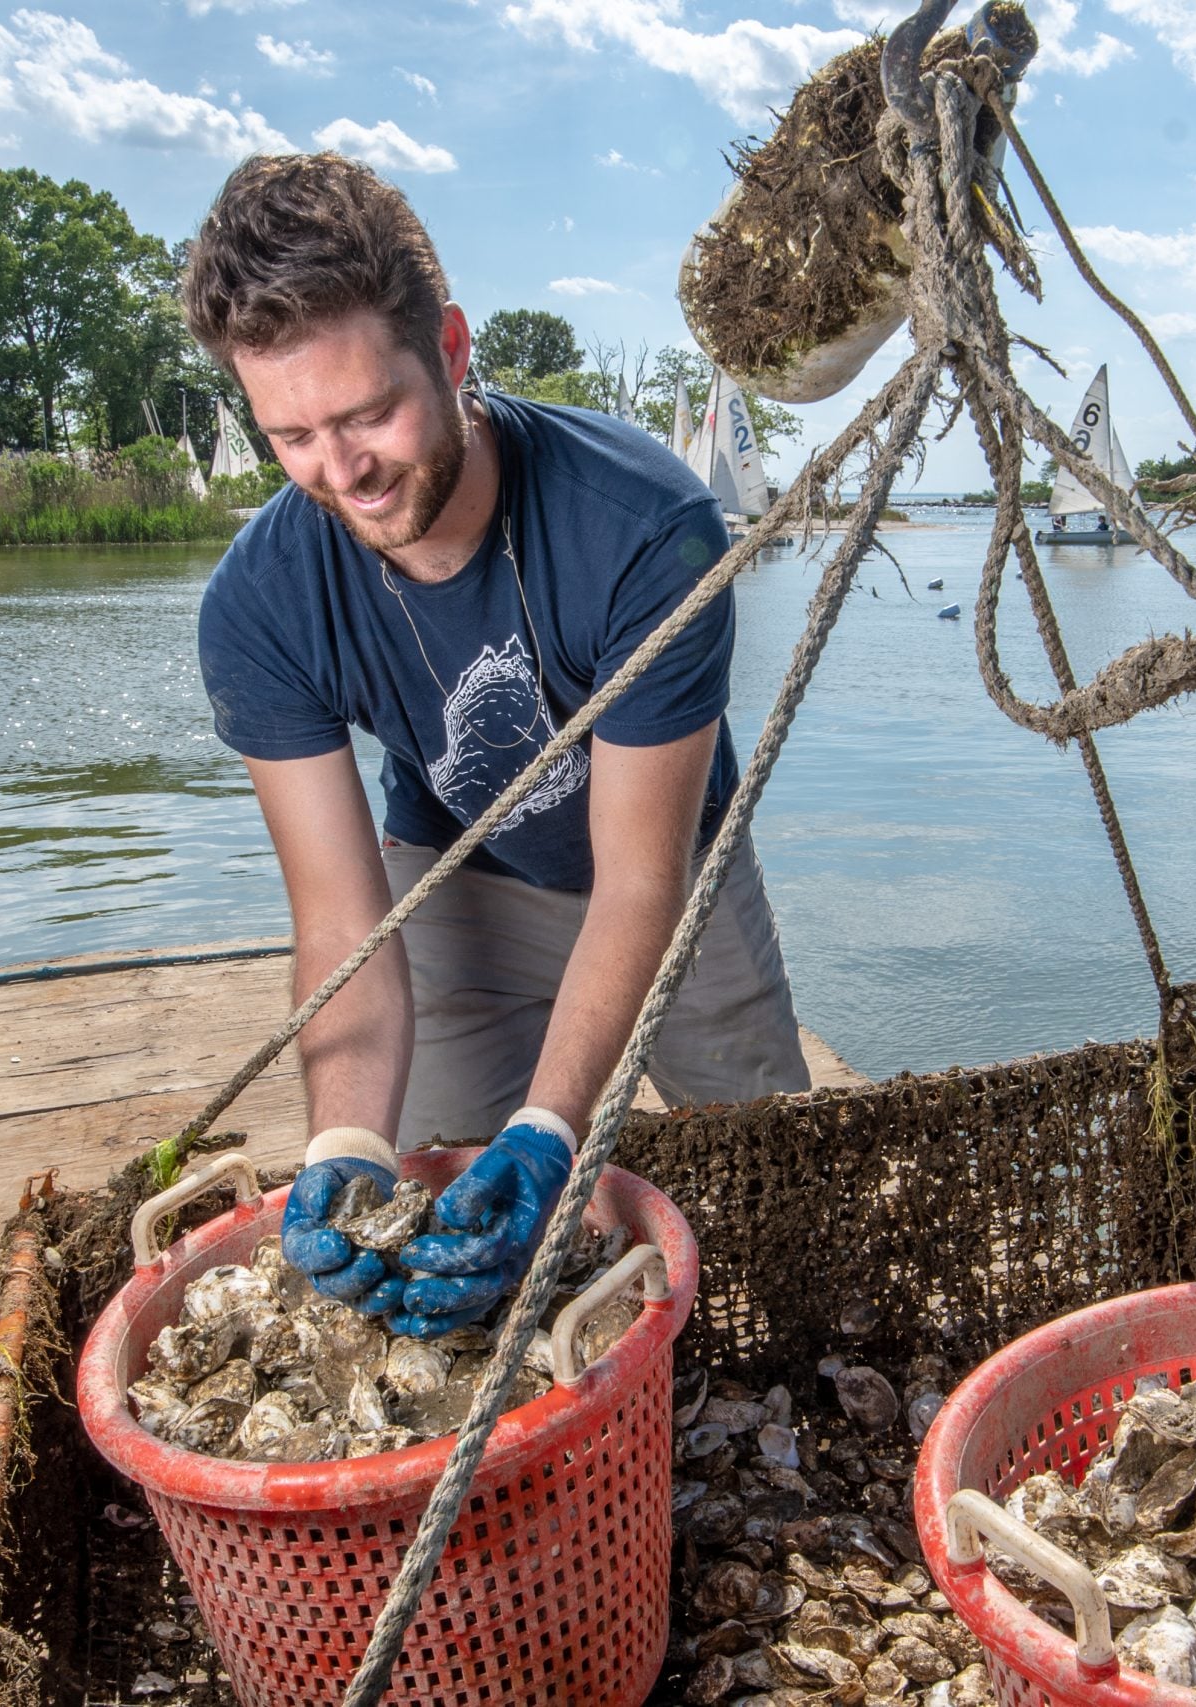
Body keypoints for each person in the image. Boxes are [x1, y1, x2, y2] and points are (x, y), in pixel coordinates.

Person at [183, 153, 811, 1336]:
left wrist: (552, 1125)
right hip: (459, 873)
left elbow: (638, 883)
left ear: (455, 351)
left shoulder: (646, 526)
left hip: (670, 874)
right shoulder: (257, 604)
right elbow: (337, 919)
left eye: (371, 412)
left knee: (771, 1180)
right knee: (438, 1220)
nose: (344, 471)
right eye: (294, 435)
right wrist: (344, 1139)